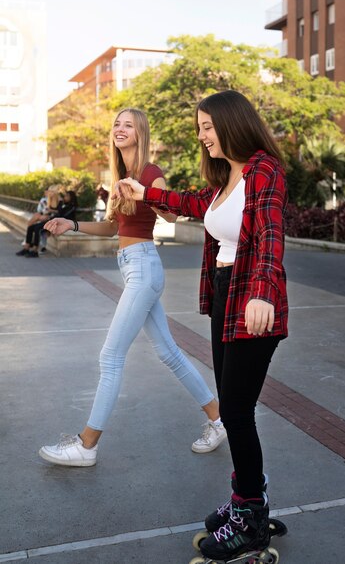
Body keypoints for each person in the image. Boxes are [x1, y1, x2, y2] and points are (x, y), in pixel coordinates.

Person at [113, 91, 289, 561]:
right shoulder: (225, 178)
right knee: (234, 408)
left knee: (235, 411)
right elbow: (191, 203)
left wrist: (263, 291)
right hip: (227, 294)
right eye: (200, 128)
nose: (202, 136)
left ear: (232, 123)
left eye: (208, 127)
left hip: (254, 299)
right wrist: (144, 192)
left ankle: (250, 517)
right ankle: (247, 498)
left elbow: (271, 234)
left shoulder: (263, 171)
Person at [38, 107, 226, 468]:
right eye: (116, 124)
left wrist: (144, 193)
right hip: (133, 266)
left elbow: (171, 215)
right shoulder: (121, 176)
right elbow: (112, 229)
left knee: (110, 357)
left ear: (140, 133)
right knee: (169, 353)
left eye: (128, 125)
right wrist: (70, 225)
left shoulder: (150, 174)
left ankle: (86, 445)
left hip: (143, 267)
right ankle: (219, 421)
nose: (120, 129)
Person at [16, 185, 63, 258]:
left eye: (51, 191)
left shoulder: (60, 200)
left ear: (55, 192)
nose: (49, 193)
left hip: (55, 221)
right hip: (49, 219)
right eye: (49, 191)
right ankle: (26, 248)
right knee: (31, 227)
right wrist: (45, 213)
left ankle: (35, 250)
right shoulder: (50, 200)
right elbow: (46, 211)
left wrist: (50, 211)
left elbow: (60, 213)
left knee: (37, 228)